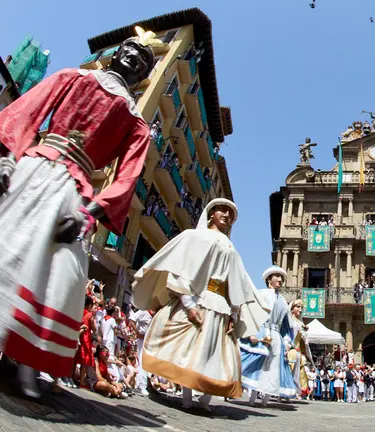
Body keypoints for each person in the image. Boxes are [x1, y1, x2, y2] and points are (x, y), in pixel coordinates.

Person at [0, 28, 159, 398]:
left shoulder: (136, 123)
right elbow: (30, 109)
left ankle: (24, 360)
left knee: (57, 273)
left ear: (143, 75)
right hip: (33, 168)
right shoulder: (74, 77)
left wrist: (91, 212)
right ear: (118, 52)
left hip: (72, 191)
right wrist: (9, 157)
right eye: (130, 49)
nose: (134, 56)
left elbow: (128, 176)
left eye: (143, 59)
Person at [131, 198, 268, 412]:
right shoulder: (194, 236)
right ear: (211, 213)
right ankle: (186, 397)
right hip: (197, 300)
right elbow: (182, 271)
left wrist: (234, 313)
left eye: (230, 213)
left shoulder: (231, 247)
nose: (227, 215)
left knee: (214, 354)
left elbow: (237, 283)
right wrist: (189, 304)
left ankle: (205, 400)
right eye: (222, 210)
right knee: (190, 350)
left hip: (220, 306)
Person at [240, 265, 297, 406]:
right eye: (276, 276)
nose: (280, 279)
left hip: (276, 336)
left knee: (273, 367)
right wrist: (252, 333)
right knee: (258, 363)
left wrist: (287, 342)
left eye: (281, 277)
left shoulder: (283, 301)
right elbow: (252, 312)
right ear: (269, 280)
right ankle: (252, 397)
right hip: (263, 331)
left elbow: (285, 326)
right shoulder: (262, 294)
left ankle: (265, 399)